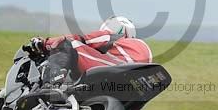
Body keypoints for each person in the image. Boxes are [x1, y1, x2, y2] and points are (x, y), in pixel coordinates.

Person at [23, 16, 152, 88]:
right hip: (130, 85)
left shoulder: (111, 36)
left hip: (114, 70)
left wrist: (45, 43)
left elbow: (82, 39)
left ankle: (50, 85)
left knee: (70, 43)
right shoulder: (140, 47)